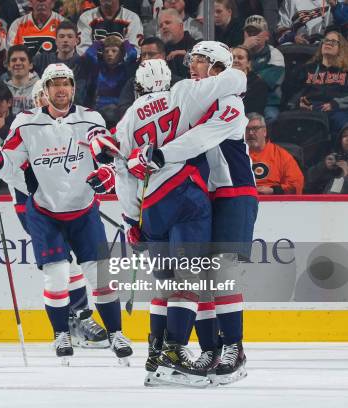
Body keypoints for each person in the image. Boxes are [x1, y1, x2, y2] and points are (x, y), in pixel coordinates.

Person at [0, 63, 132, 363]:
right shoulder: (25, 124)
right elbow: (9, 167)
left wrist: (108, 173)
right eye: (54, 84)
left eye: (66, 84)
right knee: (57, 274)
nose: (61, 89)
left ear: (73, 87)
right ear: (44, 91)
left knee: (100, 276)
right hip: (45, 211)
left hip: (83, 210)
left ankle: (116, 333)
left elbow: (107, 153)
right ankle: (61, 334)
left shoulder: (90, 119)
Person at [123, 42, 255, 386]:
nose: (193, 67)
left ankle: (234, 349)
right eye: (192, 61)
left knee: (222, 271)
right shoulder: (191, 100)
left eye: (201, 62)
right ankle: (210, 349)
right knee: (200, 277)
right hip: (203, 195)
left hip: (234, 192)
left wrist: (161, 154)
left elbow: (203, 137)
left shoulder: (231, 104)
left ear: (218, 68)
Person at [297, 30, 348, 137]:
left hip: (337, 111)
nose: (328, 43)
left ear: (341, 48)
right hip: (310, 110)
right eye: (326, 40)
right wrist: (299, 103)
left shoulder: (345, 71)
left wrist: (335, 104)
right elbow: (294, 92)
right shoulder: (307, 68)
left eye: (334, 42)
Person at [78, 35, 137, 126]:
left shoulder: (125, 68)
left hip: (120, 112)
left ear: (121, 54)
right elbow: (89, 55)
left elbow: (133, 55)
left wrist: (125, 42)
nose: (109, 54)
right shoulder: (98, 68)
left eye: (114, 51)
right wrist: (99, 43)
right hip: (99, 112)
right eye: (106, 51)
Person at [246, 113, 305, 195]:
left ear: (264, 131)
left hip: (274, 202)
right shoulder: (235, 156)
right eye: (247, 129)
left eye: (255, 128)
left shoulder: (282, 155)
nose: (251, 133)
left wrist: (273, 190)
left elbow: (296, 184)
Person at [240, 15, 285, 122]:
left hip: (267, 102)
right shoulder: (238, 53)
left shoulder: (275, 54)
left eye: (256, 32)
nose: (252, 35)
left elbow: (260, 83)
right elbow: (228, 77)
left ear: (267, 36)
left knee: (271, 116)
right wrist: (244, 48)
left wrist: (243, 72)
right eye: (249, 31)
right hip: (242, 100)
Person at [76, 0, 143, 55]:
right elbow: (83, 50)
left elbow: (135, 52)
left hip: (124, 67)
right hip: (94, 67)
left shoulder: (132, 18)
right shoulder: (86, 17)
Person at [157, 8, 199, 79]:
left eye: (167, 23)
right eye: (161, 25)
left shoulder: (197, 46)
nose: (164, 27)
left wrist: (186, 55)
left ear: (181, 26)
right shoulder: (160, 51)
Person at [306, 125, 348, 193]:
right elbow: (306, 184)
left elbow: (334, 195)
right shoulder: (337, 159)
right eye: (344, 136)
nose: (347, 139)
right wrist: (323, 166)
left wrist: (345, 177)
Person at [4, 45, 40, 115]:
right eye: (14, 60)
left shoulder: (42, 88)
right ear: (8, 66)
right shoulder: (1, 88)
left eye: (22, 59)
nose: (18, 63)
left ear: (30, 65)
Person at [232, 46, 268, 115]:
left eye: (240, 58)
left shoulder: (258, 84)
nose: (235, 60)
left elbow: (255, 110)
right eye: (232, 58)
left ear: (248, 63)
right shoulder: (220, 81)